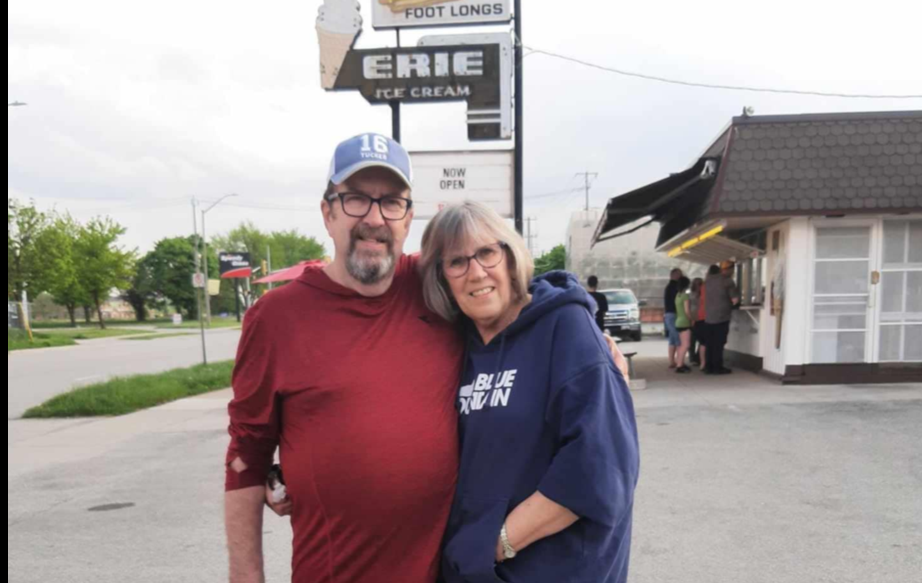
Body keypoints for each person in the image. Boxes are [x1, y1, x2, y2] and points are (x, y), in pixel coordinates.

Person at [225, 134, 631, 583]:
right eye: (357, 199)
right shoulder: (277, 318)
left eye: (392, 202)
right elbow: (246, 450)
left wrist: (590, 341)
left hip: (445, 571)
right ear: (328, 212)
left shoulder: (436, 290)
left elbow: (509, 288)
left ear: (407, 217)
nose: (375, 218)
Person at [418, 201, 640, 583]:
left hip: (556, 568)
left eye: (486, 252)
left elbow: (599, 467)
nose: (475, 272)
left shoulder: (565, 326)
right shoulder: (457, 346)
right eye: (457, 262)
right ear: (442, 278)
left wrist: (495, 543)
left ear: (509, 256)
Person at [704, 261, 740, 375]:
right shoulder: (727, 281)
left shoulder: (708, 280)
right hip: (721, 316)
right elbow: (735, 300)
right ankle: (717, 367)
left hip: (709, 316)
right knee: (719, 343)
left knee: (710, 343)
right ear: (730, 269)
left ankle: (708, 367)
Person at [663, 268, 684, 369]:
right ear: (675, 275)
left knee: (672, 340)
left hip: (668, 315)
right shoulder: (675, 287)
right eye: (680, 275)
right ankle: (680, 362)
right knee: (678, 339)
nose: (681, 276)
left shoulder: (668, 287)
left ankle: (672, 361)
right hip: (673, 315)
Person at [674, 276, 693, 373]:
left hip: (678, 321)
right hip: (685, 322)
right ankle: (679, 365)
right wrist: (692, 319)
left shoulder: (678, 295)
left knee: (681, 345)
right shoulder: (685, 296)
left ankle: (679, 363)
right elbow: (687, 311)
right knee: (686, 345)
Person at [689, 277, 708, 368]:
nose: (698, 285)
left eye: (700, 283)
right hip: (695, 318)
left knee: (700, 340)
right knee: (693, 340)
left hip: (699, 318)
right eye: (697, 283)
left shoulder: (701, 294)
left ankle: (697, 358)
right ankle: (693, 358)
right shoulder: (692, 295)